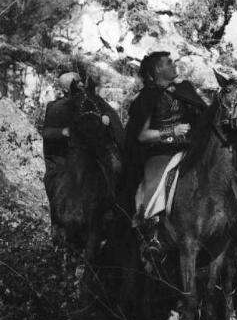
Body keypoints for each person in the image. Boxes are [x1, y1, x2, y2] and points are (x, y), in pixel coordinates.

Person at [42, 71, 124, 241]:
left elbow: (112, 120)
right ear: (66, 88)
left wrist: (106, 119)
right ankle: (58, 223)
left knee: (117, 168)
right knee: (55, 182)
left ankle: (116, 214)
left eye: (80, 81)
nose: (80, 84)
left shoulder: (93, 100)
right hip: (65, 156)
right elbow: (48, 132)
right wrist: (64, 132)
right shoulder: (56, 106)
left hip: (95, 152)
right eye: (77, 82)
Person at [124, 51, 206, 217]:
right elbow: (141, 135)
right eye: (169, 62)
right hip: (161, 152)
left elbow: (203, 118)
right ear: (158, 68)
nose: (174, 64)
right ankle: (151, 228)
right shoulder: (146, 97)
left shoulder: (184, 89)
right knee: (155, 190)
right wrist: (171, 131)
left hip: (190, 148)